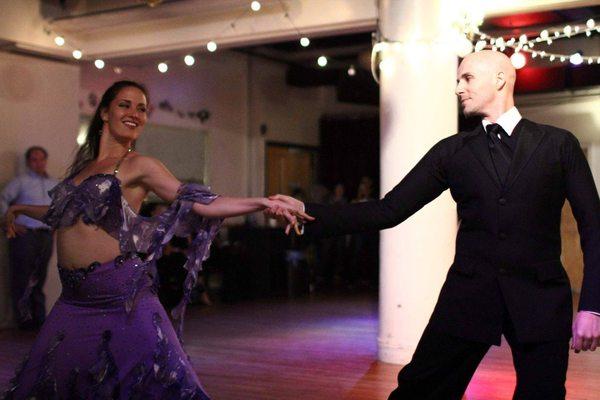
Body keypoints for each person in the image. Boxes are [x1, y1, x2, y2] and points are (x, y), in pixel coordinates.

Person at [268, 50, 600, 399]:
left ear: (500, 79)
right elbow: (389, 209)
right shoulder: (452, 151)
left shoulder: (558, 144)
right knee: (419, 392)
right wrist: (308, 211)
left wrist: (592, 305)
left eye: (467, 78)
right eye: (458, 80)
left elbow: (594, 227)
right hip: (468, 296)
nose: (458, 88)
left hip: (541, 300)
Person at [1, 80, 308, 399]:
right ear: (104, 112)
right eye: (125, 105)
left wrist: (262, 202)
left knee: (161, 386)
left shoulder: (139, 166)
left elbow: (203, 201)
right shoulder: (84, 168)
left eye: (142, 108)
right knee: (44, 386)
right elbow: (61, 211)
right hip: (74, 301)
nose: (135, 113)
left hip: (121, 298)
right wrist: (21, 208)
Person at [0, 146, 58, 330]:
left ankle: (39, 324)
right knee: (22, 279)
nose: (38, 163)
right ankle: (22, 324)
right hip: (26, 236)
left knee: (39, 279)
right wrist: (10, 223)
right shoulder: (20, 182)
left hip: (46, 235)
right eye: (34, 159)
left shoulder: (53, 184)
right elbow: (2, 200)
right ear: (28, 162)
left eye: (41, 159)